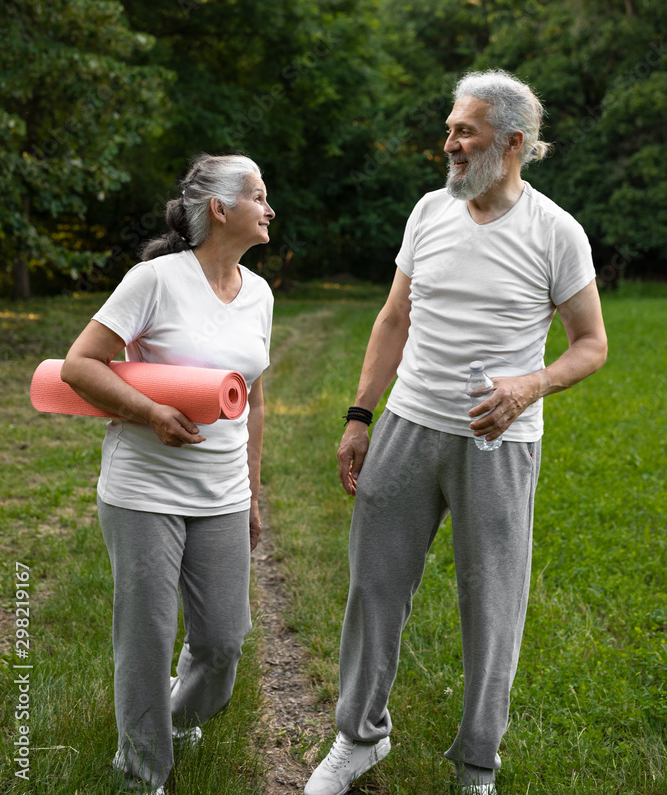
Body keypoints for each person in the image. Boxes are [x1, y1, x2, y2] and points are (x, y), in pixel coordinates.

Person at [304, 70, 608, 795]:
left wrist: (529, 384)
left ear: (510, 143)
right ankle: (356, 737)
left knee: (491, 603)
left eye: (462, 131)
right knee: (373, 589)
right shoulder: (428, 212)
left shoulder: (554, 232)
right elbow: (392, 319)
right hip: (408, 425)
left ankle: (477, 763)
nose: (448, 143)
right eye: (449, 129)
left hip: (496, 445)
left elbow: (590, 344)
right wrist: (358, 415)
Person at [61, 154, 275, 794]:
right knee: (148, 638)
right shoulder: (153, 280)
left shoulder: (259, 293)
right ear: (220, 209)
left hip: (223, 494)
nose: (269, 209)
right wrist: (151, 410)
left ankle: (174, 718)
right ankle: (141, 770)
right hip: (142, 491)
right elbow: (80, 365)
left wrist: (252, 494)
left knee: (222, 642)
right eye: (259, 196)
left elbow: (254, 399)